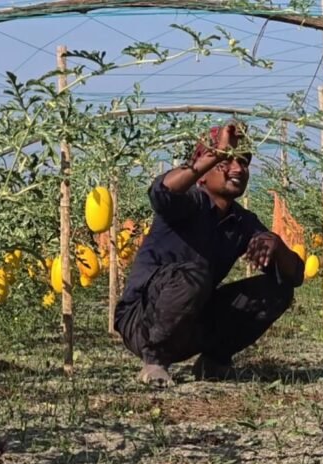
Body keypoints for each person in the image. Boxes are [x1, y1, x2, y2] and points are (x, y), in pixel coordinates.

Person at [113, 120, 305, 387]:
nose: (237, 168)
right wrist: (215, 152)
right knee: (196, 272)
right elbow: (160, 193)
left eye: (244, 162)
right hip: (142, 320)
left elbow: (295, 275)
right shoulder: (188, 201)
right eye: (226, 162)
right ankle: (154, 362)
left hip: (193, 320)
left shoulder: (241, 221)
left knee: (278, 290)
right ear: (202, 172)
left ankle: (214, 360)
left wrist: (277, 246)